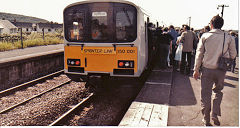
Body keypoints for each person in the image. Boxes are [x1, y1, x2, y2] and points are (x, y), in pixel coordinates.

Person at [193, 15, 237, 126]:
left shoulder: (205, 36)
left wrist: (196, 69)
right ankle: (215, 114)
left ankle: (206, 119)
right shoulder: (228, 37)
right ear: (222, 25)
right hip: (221, 70)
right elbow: (233, 55)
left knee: (205, 94)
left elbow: (199, 54)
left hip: (207, 69)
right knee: (218, 92)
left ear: (211, 24)